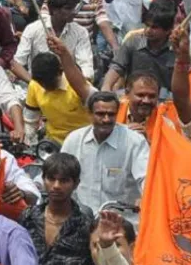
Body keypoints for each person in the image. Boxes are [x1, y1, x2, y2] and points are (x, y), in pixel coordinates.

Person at [17, 152, 95, 265]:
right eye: (51, 179)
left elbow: (95, 264)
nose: (56, 186)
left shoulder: (85, 222)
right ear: (43, 180)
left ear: (76, 183)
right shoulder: (28, 217)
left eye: (64, 180)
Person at [60, 91, 149, 221]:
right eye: (100, 114)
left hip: (122, 223)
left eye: (111, 114)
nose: (106, 119)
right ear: (90, 114)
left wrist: (146, 199)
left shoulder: (135, 141)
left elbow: (146, 178)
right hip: (82, 221)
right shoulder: (74, 139)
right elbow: (59, 173)